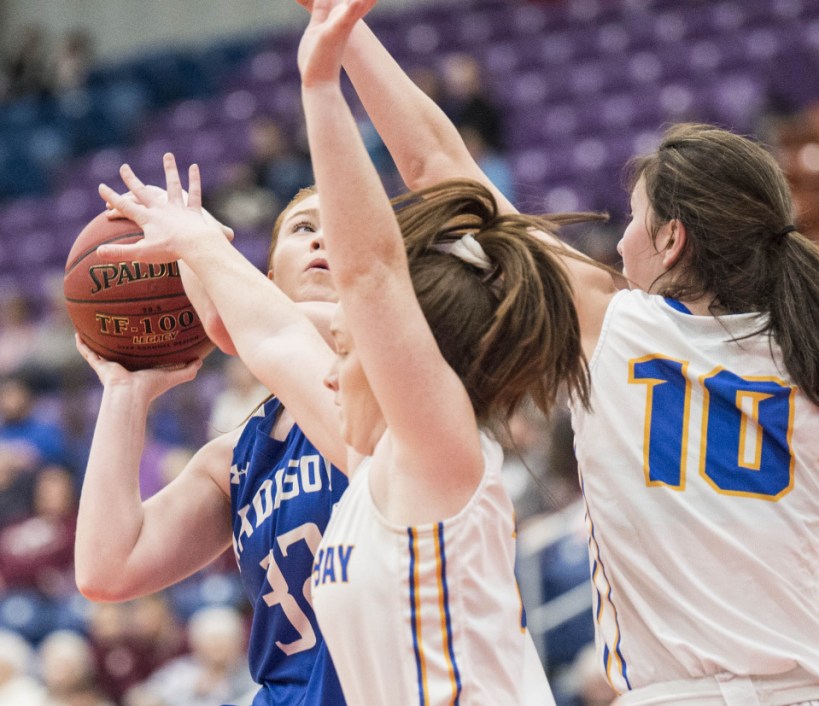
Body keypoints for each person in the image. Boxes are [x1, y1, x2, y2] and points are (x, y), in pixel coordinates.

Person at [314, 5, 819, 702]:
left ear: (673, 240)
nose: (620, 241)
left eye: (633, 219)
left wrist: (343, 30)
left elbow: (435, 162)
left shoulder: (612, 325)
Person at [94, 1, 592, 701]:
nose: (337, 372)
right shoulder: (365, 457)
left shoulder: (425, 443)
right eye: (302, 229)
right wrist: (135, 375)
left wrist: (321, 85)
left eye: (352, 350)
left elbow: (352, 288)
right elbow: (269, 338)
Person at [74, 178, 349, 705]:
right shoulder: (237, 457)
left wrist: (196, 245)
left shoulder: (399, 367)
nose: (321, 242)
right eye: (305, 228)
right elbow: (107, 567)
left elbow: (240, 326)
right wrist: (126, 390)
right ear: (268, 277)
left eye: (342, 230)